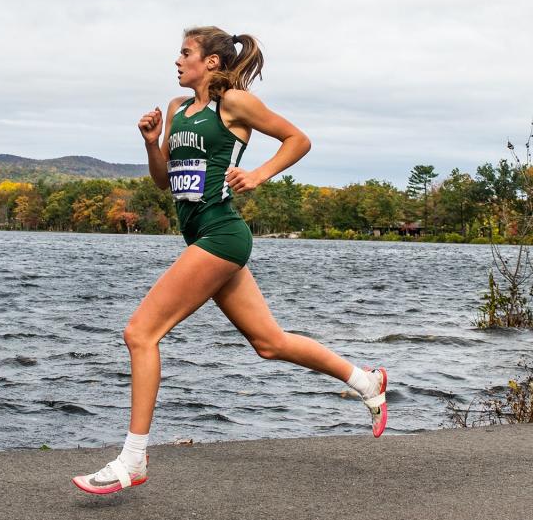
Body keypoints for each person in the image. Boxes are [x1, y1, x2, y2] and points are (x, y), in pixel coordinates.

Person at [71, 26, 388, 495]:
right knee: (269, 342)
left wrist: (259, 174)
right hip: (199, 235)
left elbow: (297, 139)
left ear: (211, 62)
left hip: (222, 234)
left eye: (185, 54)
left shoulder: (234, 104)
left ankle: (133, 459)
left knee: (140, 333)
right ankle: (367, 381)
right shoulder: (178, 110)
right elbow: (163, 182)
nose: (177, 62)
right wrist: (150, 140)